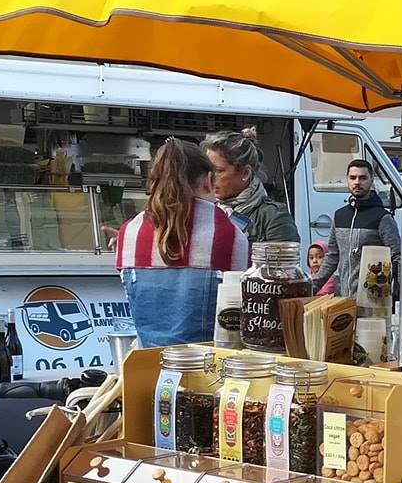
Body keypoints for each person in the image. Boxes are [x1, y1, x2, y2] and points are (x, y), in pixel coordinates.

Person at [118, 140, 249, 346]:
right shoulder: (229, 235)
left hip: (147, 365)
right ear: (208, 180)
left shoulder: (129, 232)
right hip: (208, 368)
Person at [313, 158, 400, 300]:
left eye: (363, 178)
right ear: (347, 179)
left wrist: (396, 292)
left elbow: (397, 257)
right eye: (353, 178)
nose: (357, 182)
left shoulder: (383, 217)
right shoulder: (339, 216)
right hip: (345, 298)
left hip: (374, 300)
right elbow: (333, 256)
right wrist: (312, 287)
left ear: (371, 180)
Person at [203, 129, 299, 247]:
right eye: (207, 170)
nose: (210, 177)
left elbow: (284, 263)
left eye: (218, 171)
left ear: (245, 173)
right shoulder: (204, 208)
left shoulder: (274, 217)